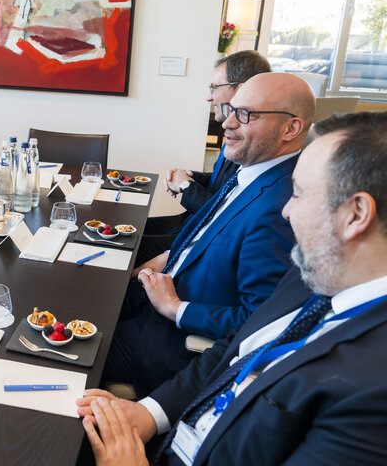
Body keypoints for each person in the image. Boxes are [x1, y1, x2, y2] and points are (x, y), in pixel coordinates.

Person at [78, 111, 387, 466]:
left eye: (299, 195)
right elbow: (234, 351)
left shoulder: (373, 394)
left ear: (356, 214)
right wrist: (148, 414)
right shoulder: (315, 276)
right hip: (172, 428)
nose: (286, 211)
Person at [104, 73, 315, 398]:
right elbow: (205, 235)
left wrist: (175, 308)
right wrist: (162, 260)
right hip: (157, 294)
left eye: (245, 115)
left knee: (62, 351)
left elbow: (259, 320)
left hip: (170, 338)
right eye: (232, 109)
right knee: (81, 288)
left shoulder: (280, 208)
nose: (227, 123)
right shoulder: (253, 171)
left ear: (291, 128)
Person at [137, 51, 272, 265]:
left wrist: (185, 185)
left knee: (123, 245)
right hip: (189, 223)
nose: (209, 97)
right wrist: (190, 177)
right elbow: (224, 182)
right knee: (128, 227)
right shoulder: (234, 131)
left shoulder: (254, 143)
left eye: (213, 88)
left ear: (242, 87)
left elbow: (225, 216)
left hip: (198, 238)